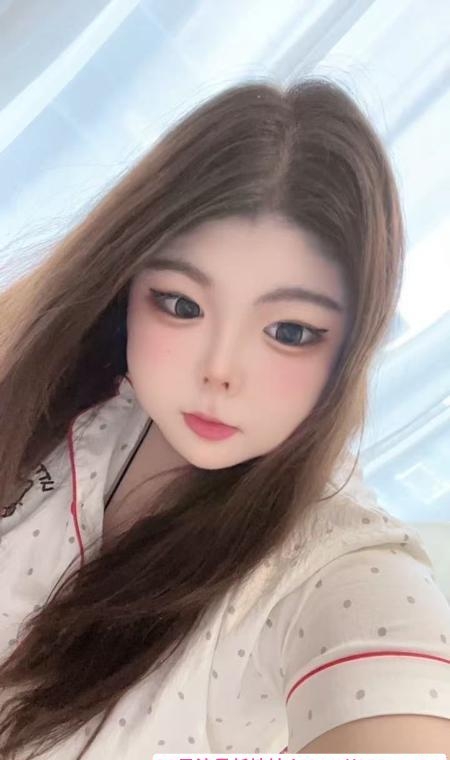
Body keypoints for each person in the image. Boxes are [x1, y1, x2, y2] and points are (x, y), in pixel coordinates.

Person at [0, 78, 448, 760]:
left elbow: (392, 681)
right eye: (181, 305)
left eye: (290, 331)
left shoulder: (331, 569)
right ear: (125, 285)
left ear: (350, 347)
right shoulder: (60, 396)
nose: (220, 371)